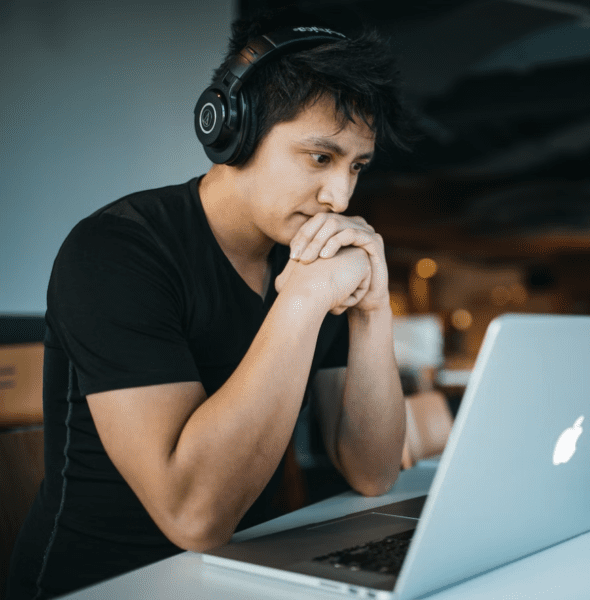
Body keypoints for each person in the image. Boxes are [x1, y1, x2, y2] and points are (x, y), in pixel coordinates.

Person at [7, 8, 413, 599]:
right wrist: (301, 302)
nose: (340, 194)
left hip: (243, 574)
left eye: (357, 167)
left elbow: (372, 473)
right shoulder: (116, 251)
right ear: (233, 129)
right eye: (320, 158)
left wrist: (373, 312)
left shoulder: (303, 253)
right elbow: (193, 517)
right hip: (105, 583)